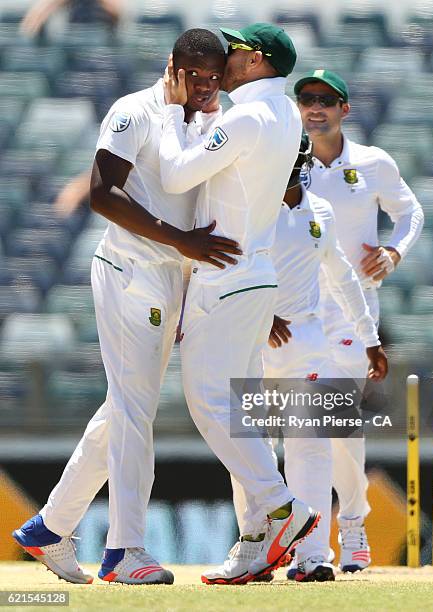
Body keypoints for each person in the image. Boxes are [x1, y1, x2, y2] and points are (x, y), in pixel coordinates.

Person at [12, 29, 242, 586]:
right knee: (135, 412)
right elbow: (100, 192)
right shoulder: (132, 111)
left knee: (123, 409)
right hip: (128, 272)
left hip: (170, 277)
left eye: (215, 78)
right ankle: (125, 551)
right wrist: (177, 241)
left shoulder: (211, 119)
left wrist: (188, 271)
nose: (205, 87)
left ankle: (51, 526)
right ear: (173, 66)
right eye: (195, 77)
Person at [159, 23, 321, 585]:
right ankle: (256, 541)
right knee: (241, 413)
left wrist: (178, 112)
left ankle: (281, 508)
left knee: (209, 403)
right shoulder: (280, 116)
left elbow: (178, 175)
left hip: (224, 278)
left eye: (234, 51)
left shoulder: (247, 117)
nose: (224, 59)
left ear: (255, 61)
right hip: (252, 276)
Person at [212, 136, 388, 584]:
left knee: (311, 444)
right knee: (252, 448)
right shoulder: (246, 207)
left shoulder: (320, 213)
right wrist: (259, 309)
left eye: (293, 158)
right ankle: (256, 545)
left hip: (308, 344)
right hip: (250, 344)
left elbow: (344, 279)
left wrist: (369, 338)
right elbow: (222, 267)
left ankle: (311, 556)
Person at [288, 69, 424, 574]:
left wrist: (393, 251)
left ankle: (352, 524)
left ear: (345, 108)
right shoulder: (285, 161)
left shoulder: (372, 163)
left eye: (326, 100)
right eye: (306, 99)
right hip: (297, 311)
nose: (314, 108)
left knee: (335, 423)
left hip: (352, 313)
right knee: (305, 429)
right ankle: (311, 543)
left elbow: (412, 214)